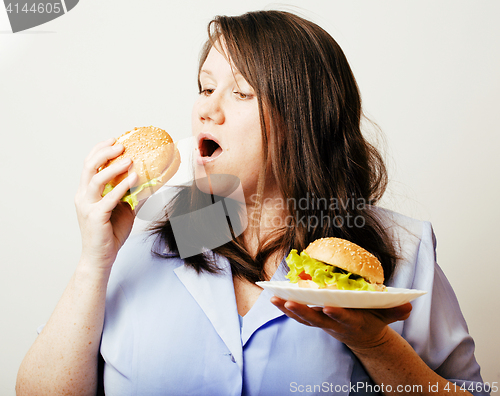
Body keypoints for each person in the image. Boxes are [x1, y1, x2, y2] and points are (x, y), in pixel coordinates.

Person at [16, 10, 488, 396]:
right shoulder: (142, 237)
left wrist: (375, 343)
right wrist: (94, 261)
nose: (206, 108)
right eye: (205, 87)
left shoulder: (402, 251)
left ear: (307, 119)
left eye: (241, 92)